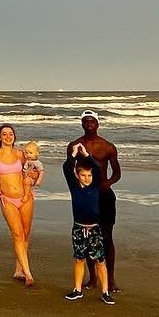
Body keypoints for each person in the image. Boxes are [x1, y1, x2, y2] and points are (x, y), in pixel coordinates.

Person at [0, 123, 38, 286]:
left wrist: (33, 177)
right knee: (17, 234)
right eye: (4, 134)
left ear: (14, 137)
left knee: (25, 233)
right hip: (8, 200)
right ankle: (28, 273)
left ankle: (19, 269)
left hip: (26, 198)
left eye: (10, 134)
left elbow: (33, 168)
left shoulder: (20, 154)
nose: (8, 136)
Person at [69, 109, 120, 289]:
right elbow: (71, 170)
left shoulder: (107, 146)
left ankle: (110, 279)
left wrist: (107, 184)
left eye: (92, 122)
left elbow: (117, 173)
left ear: (97, 124)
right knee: (87, 236)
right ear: (82, 124)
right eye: (86, 122)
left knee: (106, 237)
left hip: (104, 196)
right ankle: (92, 278)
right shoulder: (75, 145)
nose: (89, 125)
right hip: (86, 197)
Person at [61, 151, 115, 304]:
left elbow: (97, 168)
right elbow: (66, 168)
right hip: (78, 229)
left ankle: (105, 291)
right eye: (83, 175)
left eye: (89, 176)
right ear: (77, 175)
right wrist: (72, 154)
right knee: (79, 259)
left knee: (100, 260)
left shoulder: (95, 186)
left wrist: (86, 154)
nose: (87, 178)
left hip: (94, 229)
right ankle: (77, 290)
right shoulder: (74, 187)